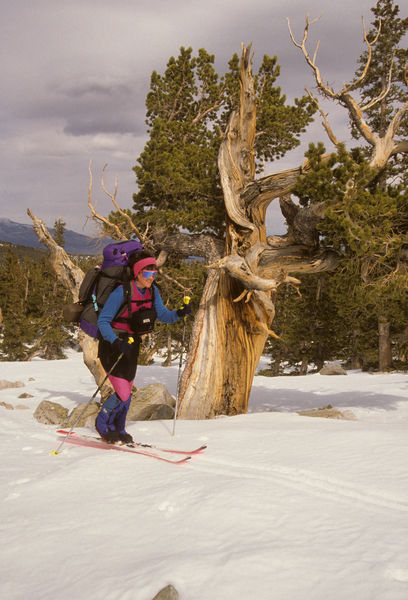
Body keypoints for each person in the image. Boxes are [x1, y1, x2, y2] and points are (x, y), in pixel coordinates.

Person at [95, 252, 191, 444]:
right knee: (122, 393)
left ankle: (119, 428)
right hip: (113, 345)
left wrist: (179, 313)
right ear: (138, 273)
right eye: (148, 274)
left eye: (154, 274)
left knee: (127, 393)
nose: (151, 278)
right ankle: (102, 423)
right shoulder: (120, 292)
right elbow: (103, 322)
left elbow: (162, 315)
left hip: (131, 345)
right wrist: (115, 341)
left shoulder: (152, 291)